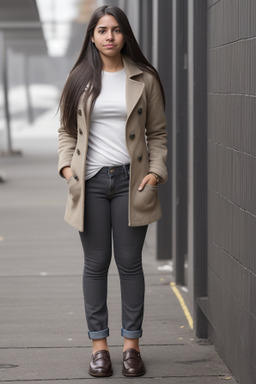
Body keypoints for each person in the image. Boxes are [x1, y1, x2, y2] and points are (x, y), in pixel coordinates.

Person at [58, 4, 167, 378]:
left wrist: (154, 174)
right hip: (88, 184)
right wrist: (68, 169)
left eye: (116, 30)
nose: (109, 36)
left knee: (130, 264)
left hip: (129, 182)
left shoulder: (145, 79)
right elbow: (66, 133)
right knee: (95, 264)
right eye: (102, 30)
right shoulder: (78, 79)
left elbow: (158, 135)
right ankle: (100, 347)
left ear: (125, 35)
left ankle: (132, 347)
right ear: (92, 36)